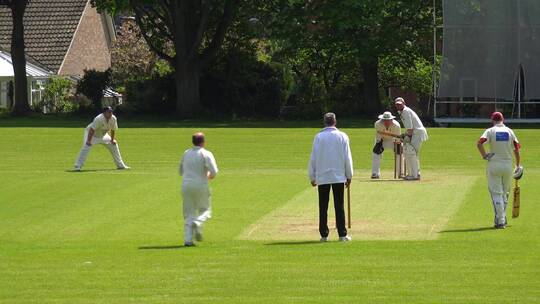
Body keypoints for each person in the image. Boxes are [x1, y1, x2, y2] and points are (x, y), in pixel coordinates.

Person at [308, 113, 353, 242]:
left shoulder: (318, 137)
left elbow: (313, 157)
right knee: (339, 206)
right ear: (335, 122)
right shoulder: (342, 136)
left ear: (324, 122)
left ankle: (324, 235)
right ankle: (342, 235)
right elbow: (347, 157)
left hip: (322, 177)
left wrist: (312, 176)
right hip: (338, 176)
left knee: (323, 206)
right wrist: (349, 175)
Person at [477, 112, 522, 229]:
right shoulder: (510, 131)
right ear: (503, 120)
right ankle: (501, 218)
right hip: (507, 165)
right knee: (505, 192)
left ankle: (500, 220)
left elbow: (479, 143)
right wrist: (517, 165)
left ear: (493, 120)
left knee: (496, 193)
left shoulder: (490, 131)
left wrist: (485, 155)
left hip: (494, 164)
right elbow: (516, 150)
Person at [179, 132, 219, 246]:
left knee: (188, 213)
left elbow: (180, 171)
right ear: (203, 142)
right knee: (206, 210)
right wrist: (208, 176)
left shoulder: (186, 153)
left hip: (186, 185)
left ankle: (188, 240)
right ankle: (198, 222)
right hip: (201, 184)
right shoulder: (206, 153)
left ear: (193, 142)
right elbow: (214, 172)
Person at [73, 107, 130, 171]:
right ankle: (77, 166)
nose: (110, 113)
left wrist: (112, 140)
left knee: (114, 145)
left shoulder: (113, 118)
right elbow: (92, 130)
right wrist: (88, 141)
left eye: (111, 112)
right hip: (92, 135)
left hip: (103, 135)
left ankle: (120, 165)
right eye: (109, 112)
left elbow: (113, 130)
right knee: (86, 147)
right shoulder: (99, 118)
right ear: (104, 113)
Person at [394, 97, 428, 180]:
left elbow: (410, 128)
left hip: (417, 133)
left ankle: (414, 175)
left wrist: (406, 137)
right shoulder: (402, 111)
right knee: (412, 153)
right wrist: (406, 134)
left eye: (400, 104)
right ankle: (416, 174)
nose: (399, 106)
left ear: (404, 103)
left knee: (411, 152)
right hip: (415, 133)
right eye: (397, 104)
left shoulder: (405, 111)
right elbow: (409, 129)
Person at [371, 111, 402, 179]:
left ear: (391, 120)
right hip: (382, 140)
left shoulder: (397, 125)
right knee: (375, 153)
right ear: (382, 119)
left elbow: (398, 138)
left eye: (388, 120)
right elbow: (378, 137)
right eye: (384, 120)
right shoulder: (377, 124)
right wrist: (379, 144)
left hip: (393, 140)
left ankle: (400, 173)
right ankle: (375, 173)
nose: (386, 122)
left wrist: (397, 144)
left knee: (399, 154)